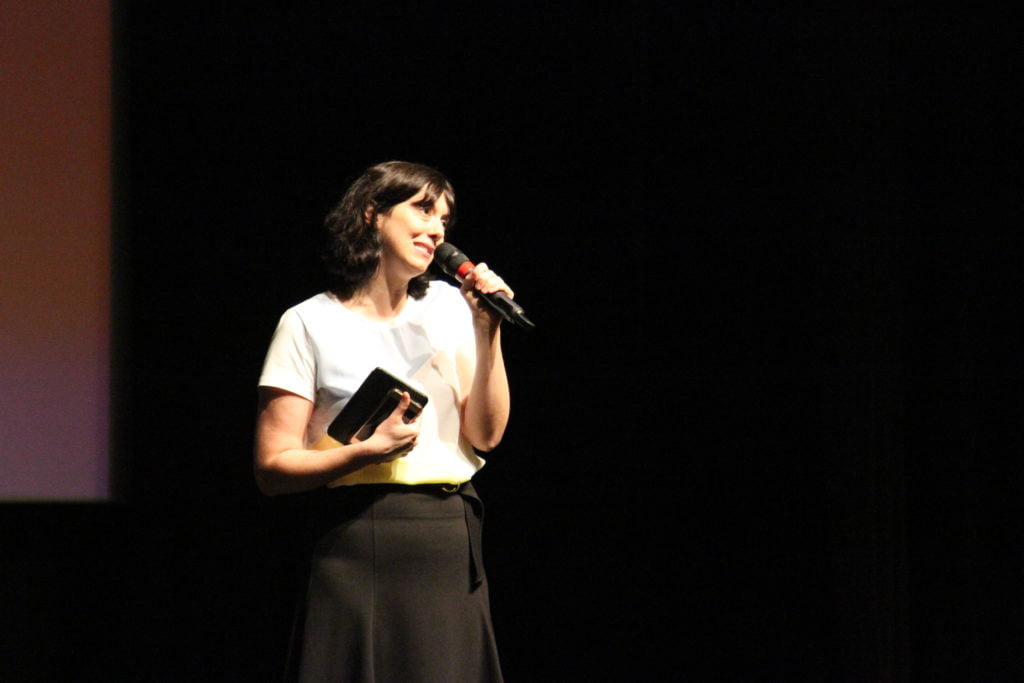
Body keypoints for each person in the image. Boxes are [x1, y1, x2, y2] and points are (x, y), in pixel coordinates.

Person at [254, 161, 511, 682]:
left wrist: (488, 332)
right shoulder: (308, 322)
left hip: (446, 537)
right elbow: (272, 466)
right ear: (372, 214)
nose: (438, 228)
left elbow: (486, 434)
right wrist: (363, 453)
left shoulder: (449, 306)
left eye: (444, 218)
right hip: (356, 537)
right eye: (422, 208)